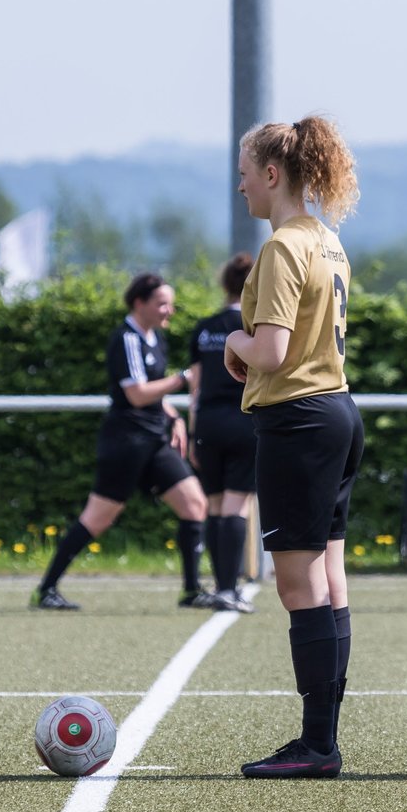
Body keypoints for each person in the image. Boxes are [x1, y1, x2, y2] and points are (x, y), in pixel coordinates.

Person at [225, 115, 363, 779]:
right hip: (336, 411)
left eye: (246, 171)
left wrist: (233, 343)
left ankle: (317, 745)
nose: (241, 184)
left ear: (273, 174)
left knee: (299, 583)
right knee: (330, 580)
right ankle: (323, 736)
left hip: (298, 421)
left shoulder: (283, 246)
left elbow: (272, 352)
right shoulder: (328, 241)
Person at [29, 273, 211, 612]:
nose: (168, 310)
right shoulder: (126, 339)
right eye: (161, 303)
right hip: (126, 443)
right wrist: (183, 379)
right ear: (138, 303)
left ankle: (191, 590)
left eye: (170, 303)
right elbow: (137, 394)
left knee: (195, 505)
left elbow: (153, 393)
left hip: (155, 441)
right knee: (98, 519)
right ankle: (46, 589)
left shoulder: (154, 337)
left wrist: (173, 416)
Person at [188, 252, 257, 613]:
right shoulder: (254, 327)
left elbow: (195, 388)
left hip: (209, 425)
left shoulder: (204, 327)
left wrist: (191, 432)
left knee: (214, 506)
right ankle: (230, 589)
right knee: (235, 507)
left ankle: (220, 585)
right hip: (244, 422)